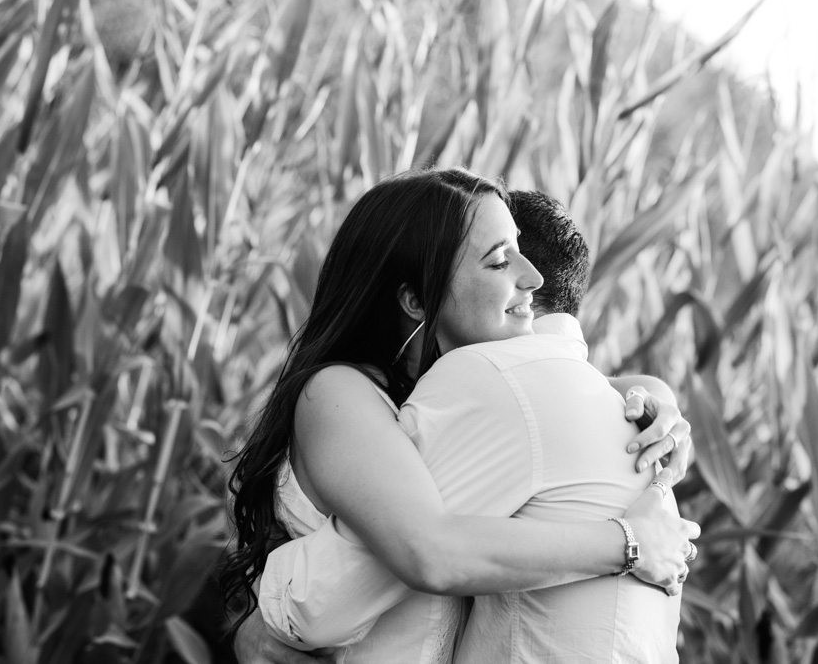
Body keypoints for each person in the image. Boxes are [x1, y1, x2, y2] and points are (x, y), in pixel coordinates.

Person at [222, 171, 699, 663]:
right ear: (415, 300)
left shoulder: (446, 402)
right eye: (499, 261)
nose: (533, 277)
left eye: (520, 250)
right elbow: (429, 552)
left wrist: (649, 396)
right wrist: (630, 543)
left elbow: (550, 387)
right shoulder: (338, 392)